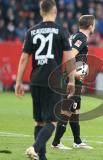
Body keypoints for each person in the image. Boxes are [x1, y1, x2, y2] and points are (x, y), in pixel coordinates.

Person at [15, 0, 75, 159]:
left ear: (41, 12)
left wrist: (18, 82)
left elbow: (23, 59)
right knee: (52, 122)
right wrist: (71, 81)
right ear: (54, 11)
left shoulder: (31, 31)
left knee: (39, 122)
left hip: (35, 80)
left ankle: (42, 157)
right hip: (53, 81)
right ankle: (34, 148)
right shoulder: (62, 31)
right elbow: (69, 59)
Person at [51, 15, 95, 150]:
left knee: (75, 111)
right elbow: (70, 56)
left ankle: (77, 141)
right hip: (71, 79)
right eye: (94, 24)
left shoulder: (76, 37)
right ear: (90, 26)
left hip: (76, 80)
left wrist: (80, 76)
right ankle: (56, 143)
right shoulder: (81, 38)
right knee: (67, 110)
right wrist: (75, 75)